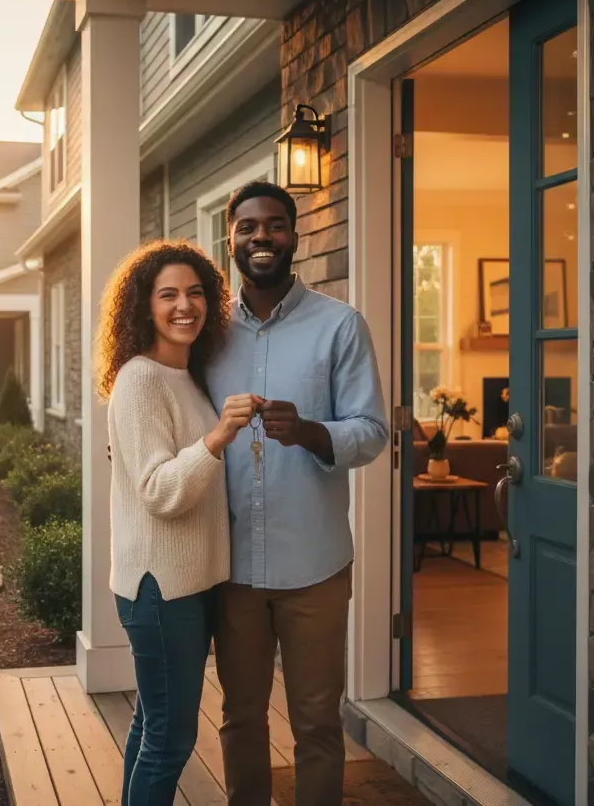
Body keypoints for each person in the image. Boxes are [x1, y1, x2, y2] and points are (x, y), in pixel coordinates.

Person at [207, 181, 389, 806]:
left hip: (313, 567)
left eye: (276, 225)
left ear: (294, 236)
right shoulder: (207, 334)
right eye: (248, 226)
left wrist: (311, 431)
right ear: (230, 238)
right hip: (231, 569)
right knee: (240, 718)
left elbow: (372, 433)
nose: (262, 237)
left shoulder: (340, 326)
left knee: (316, 722)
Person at [97, 240, 260, 806]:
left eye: (195, 293)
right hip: (161, 591)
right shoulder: (140, 379)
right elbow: (159, 491)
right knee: (171, 737)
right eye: (168, 294)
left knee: (152, 724)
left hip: (188, 587)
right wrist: (217, 439)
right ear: (144, 306)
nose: (183, 305)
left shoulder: (186, 378)